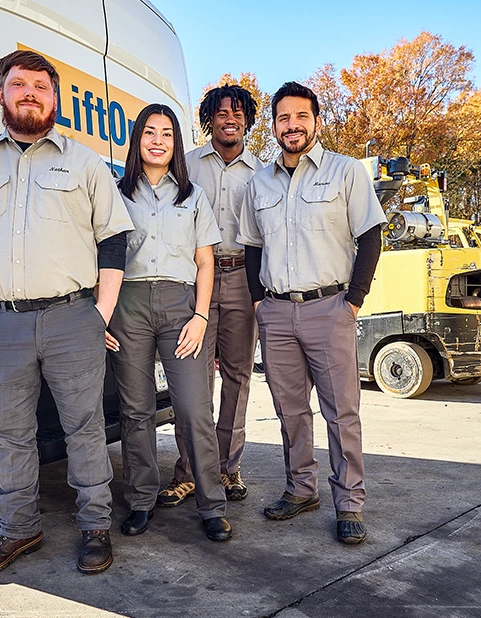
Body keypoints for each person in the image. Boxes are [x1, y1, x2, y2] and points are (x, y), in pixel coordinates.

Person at [0, 50, 134, 578]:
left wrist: (101, 314)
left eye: (40, 86)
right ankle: (18, 529)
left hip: (73, 319)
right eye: (18, 84)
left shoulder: (85, 162)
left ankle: (95, 527)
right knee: (10, 434)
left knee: (85, 428)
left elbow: (114, 240)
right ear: (1, 94)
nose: (29, 93)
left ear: (55, 97)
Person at [237, 81, 387, 545]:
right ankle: (301, 489)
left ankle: (349, 502)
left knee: (342, 412)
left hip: (330, 308)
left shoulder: (345, 173)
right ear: (275, 126)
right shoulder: (258, 182)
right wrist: (260, 302)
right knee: (290, 411)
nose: (292, 125)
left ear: (316, 121)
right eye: (283, 118)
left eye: (301, 116)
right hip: (277, 314)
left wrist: (353, 300)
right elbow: (251, 248)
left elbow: (371, 236)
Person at [108, 103, 232, 542]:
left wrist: (200, 315)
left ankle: (212, 504)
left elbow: (205, 261)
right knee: (135, 409)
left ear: (176, 143)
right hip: (129, 305)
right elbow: (100, 257)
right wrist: (102, 312)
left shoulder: (192, 196)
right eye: (149, 132)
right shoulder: (116, 193)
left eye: (166, 133)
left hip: (181, 306)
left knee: (194, 408)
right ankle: (140, 501)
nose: (157, 140)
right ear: (137, 139)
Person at [161, 85, 264, 507]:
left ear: (248, 121)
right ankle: (188, 472)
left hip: (243, 279)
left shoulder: (263, 173)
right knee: (194, 383)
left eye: (238, 113)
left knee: (237, 379)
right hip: (196, 282)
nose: (230, 119)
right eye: (222, 112)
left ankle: (228, 468)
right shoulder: (184, 166)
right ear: (210, 118)